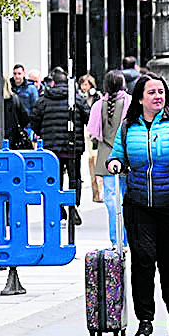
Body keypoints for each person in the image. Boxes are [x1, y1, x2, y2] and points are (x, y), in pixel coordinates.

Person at [107, 75, 169, 336]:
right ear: (140, 98)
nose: (157, 96)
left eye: (161, 91)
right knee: (142, 261)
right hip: (138, 204)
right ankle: (145, 320)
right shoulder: (128, 126)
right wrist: (114, 163)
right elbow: (117, 154)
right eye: (151, 92)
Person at [30, 68, 90, 221]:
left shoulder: (44, 99)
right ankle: (72, 206)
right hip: (72, 147)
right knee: (74, 178)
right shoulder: (76, 99)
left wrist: (40, 133)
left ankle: (58, 207)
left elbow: (34, 120)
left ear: (53, 83)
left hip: (51, 148)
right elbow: (87, 117)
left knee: (55, 179)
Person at [88, 70, 129, 247]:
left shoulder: (99, 105)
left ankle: (116, 239)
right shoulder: (130, 102)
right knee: (128, 199)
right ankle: (127, 239)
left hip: (106, 155)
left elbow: (93, 133)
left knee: (111, 199)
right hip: (127, 155)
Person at [78, 74, 102, 203]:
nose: (84, 87)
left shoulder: (97, 97)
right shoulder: (78, 98)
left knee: (95, 159)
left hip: (93, 132)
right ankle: (95, 193)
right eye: (82, 84)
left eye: (86, 84)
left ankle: (98, 192)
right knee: (90, 161)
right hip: (83, 132)